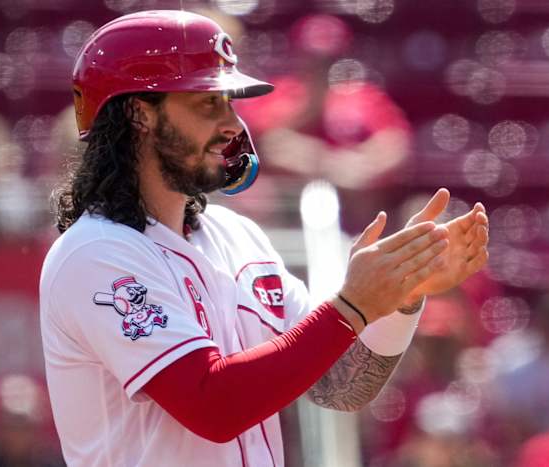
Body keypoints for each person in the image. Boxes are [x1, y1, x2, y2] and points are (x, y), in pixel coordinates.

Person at [39, 10, 489, 467]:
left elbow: (340, 386)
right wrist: (353, 305)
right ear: (139, 114)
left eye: (229, 103)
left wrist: (399, 295)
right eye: (207, 103)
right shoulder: (95, 253)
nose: (233, 124)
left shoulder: (238, 236)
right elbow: (212, 405)